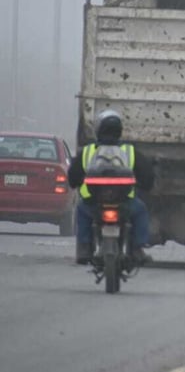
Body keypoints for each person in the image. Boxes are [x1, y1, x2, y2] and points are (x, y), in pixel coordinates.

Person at [68, 110, 155, 265]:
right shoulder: (130, 151)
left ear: (98, 129)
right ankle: (137, 249)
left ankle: (84, 248)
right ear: (119, 131)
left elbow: (73, 176)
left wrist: (76, 182)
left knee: (81, 210)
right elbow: (147, 175)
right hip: (125, 203)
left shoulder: (87, 152)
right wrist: (145, 185)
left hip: (92, 202)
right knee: (141, 210)